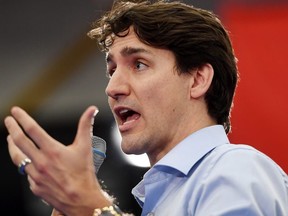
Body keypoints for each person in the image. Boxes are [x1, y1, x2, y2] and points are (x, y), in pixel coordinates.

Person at [4, 0, 288, 215]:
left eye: (138, 64)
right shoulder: (159, 200)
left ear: (198, 79)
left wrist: (92, 207)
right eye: (112, 70)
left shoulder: (235, 169)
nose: (112, 88)